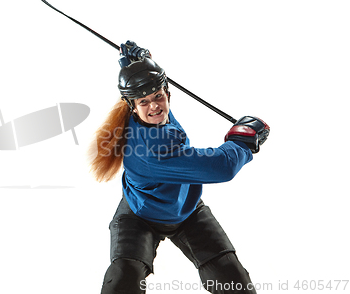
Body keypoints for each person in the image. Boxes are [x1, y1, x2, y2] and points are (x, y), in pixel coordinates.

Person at [89, 41, 270, 294]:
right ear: (132, 106)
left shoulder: (147, 114)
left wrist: (136, 63)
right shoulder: (151, 151)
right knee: (123, 281)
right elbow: (220, 167)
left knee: (233, 281)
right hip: (140, 214)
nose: (154, 106)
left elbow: (145, 88)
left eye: (158, 97)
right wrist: (242, 142)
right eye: (144, 102)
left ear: (167, 93)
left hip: (185, 207)